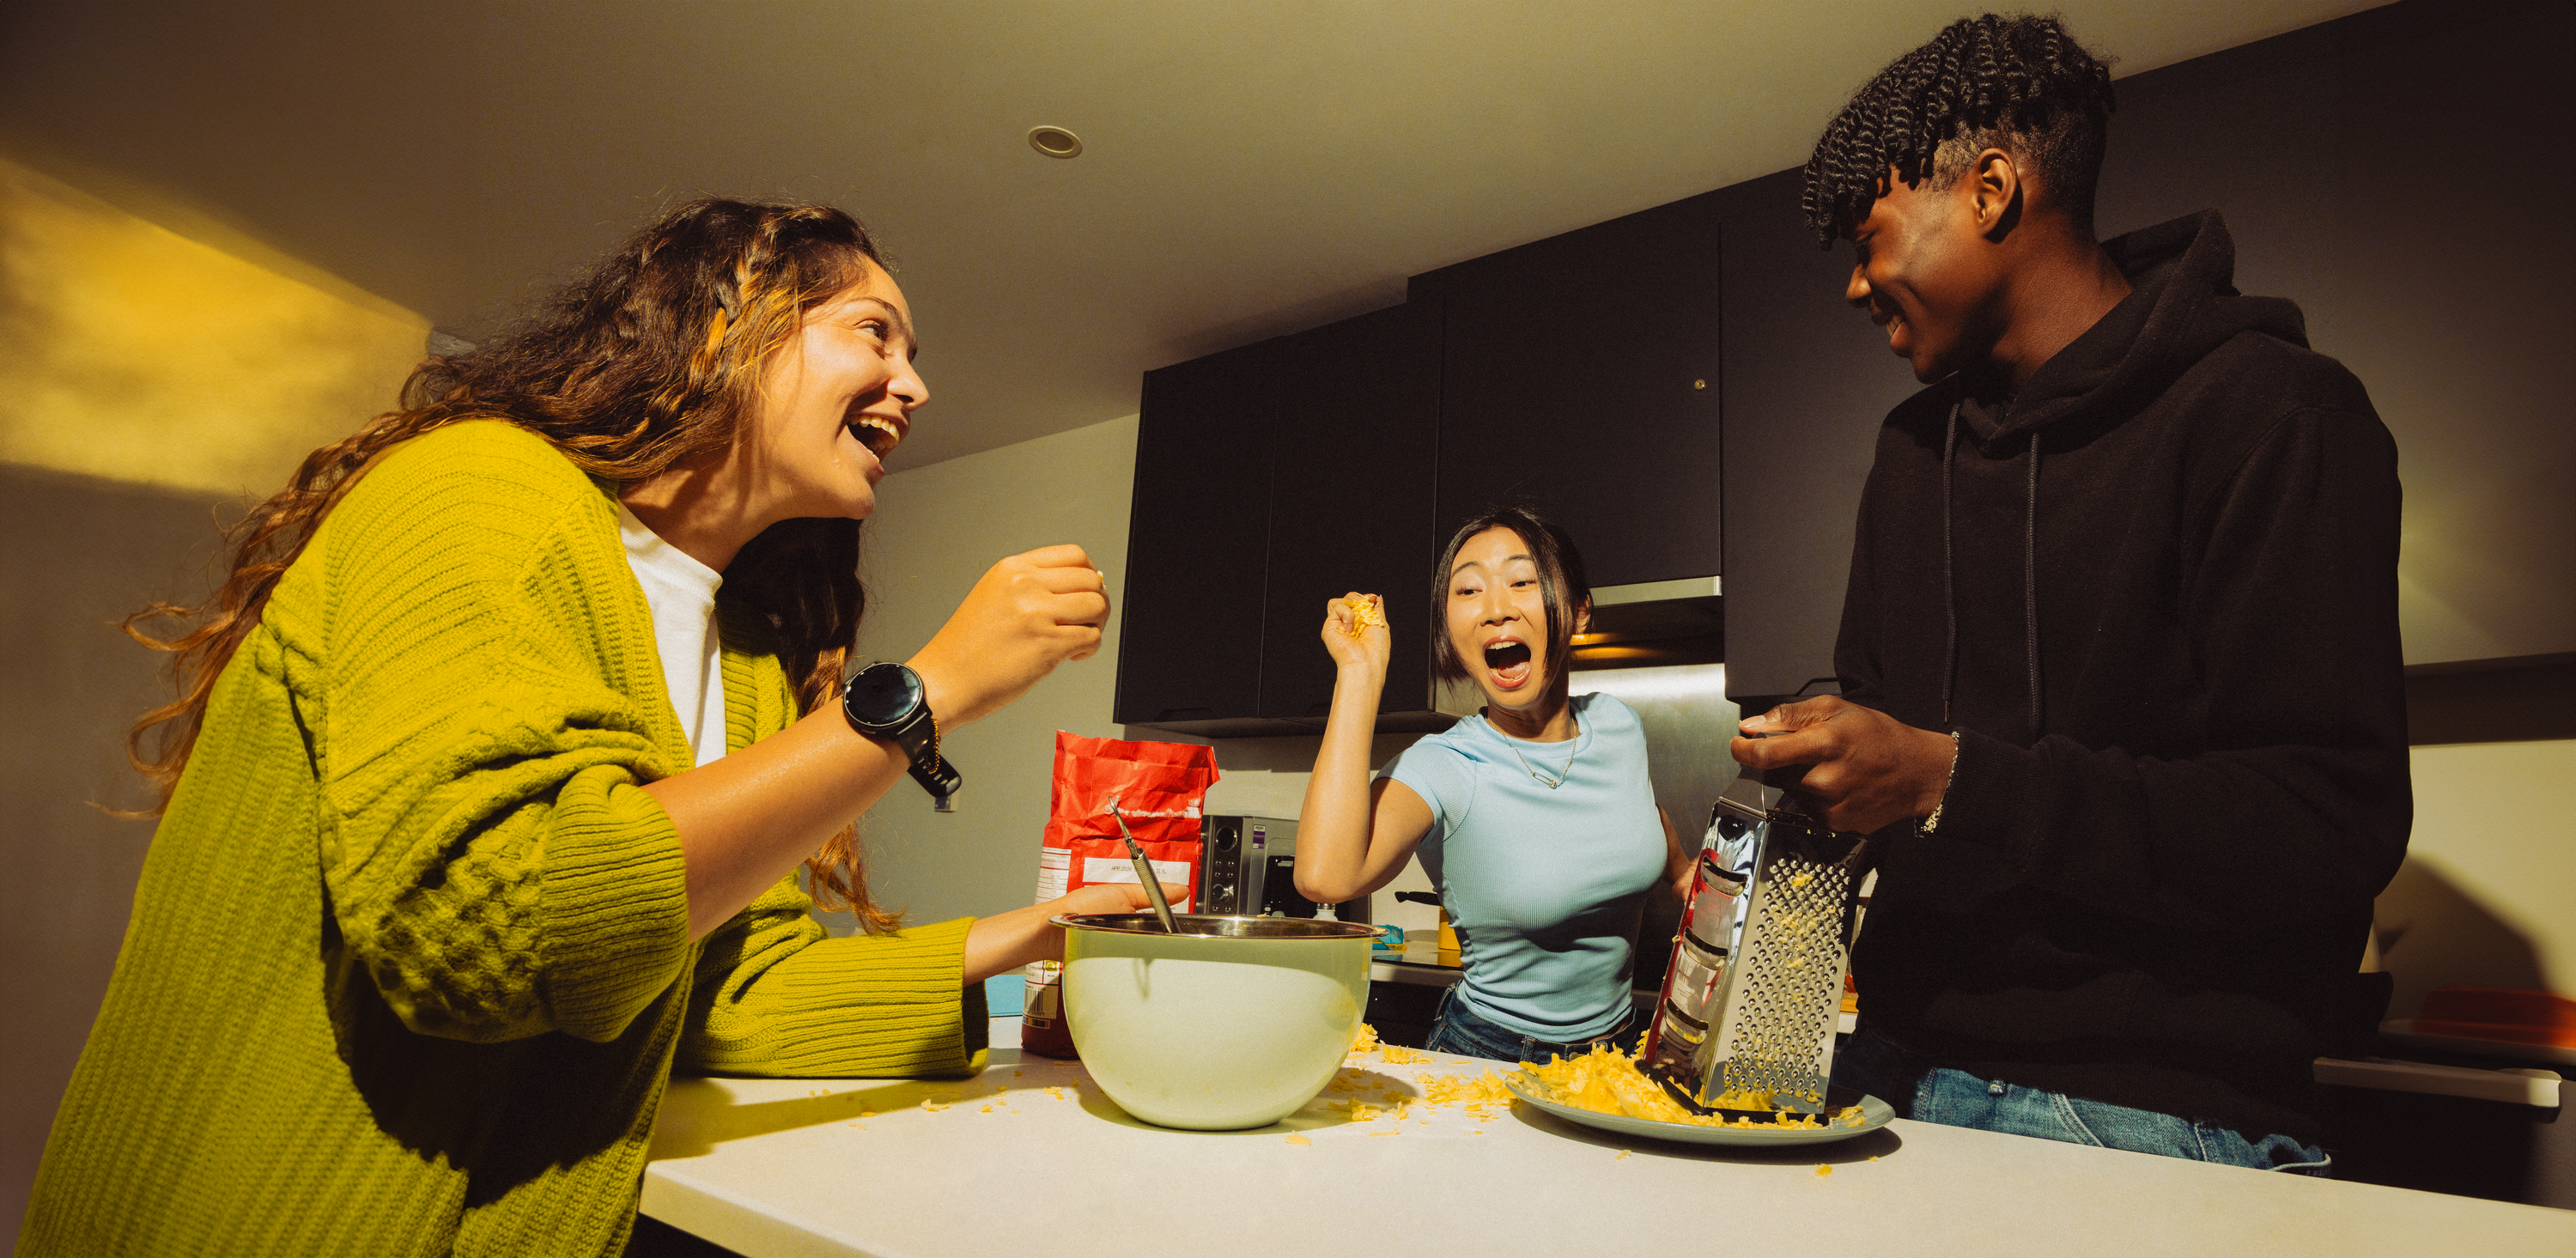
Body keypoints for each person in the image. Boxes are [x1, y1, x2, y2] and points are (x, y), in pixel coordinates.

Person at [21, 198, 1176, 1256]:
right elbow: (505, 926)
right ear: (731, 321)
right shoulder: (475, 492)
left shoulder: (750, 659)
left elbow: (720, 985)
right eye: (877, 334)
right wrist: (922, 695)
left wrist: (1040, 931)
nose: (914, 386)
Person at [1731, 15, 2408, 1174]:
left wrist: (1951, 776)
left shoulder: (2274, 413)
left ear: (1991, 190)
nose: (1854, 284)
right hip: (1887, 1072)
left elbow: (2326, 821)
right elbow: (1872, 787)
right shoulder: (1909, 454)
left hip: (2151, 1111)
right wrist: (1744, 1022)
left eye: (1871, 234)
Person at [1295, 506, 1690, 1064]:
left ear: (1579, 615)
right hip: (1493, 1054)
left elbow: (1641, 814)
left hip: (1619, 1053)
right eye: (1469, 590)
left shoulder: (1618, 723)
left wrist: (1683, 870)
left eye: (1523, 581)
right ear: (1452, 636)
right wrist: (1359, 673)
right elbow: (1323, 875)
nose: (1496, 609)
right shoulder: (1445, 765)